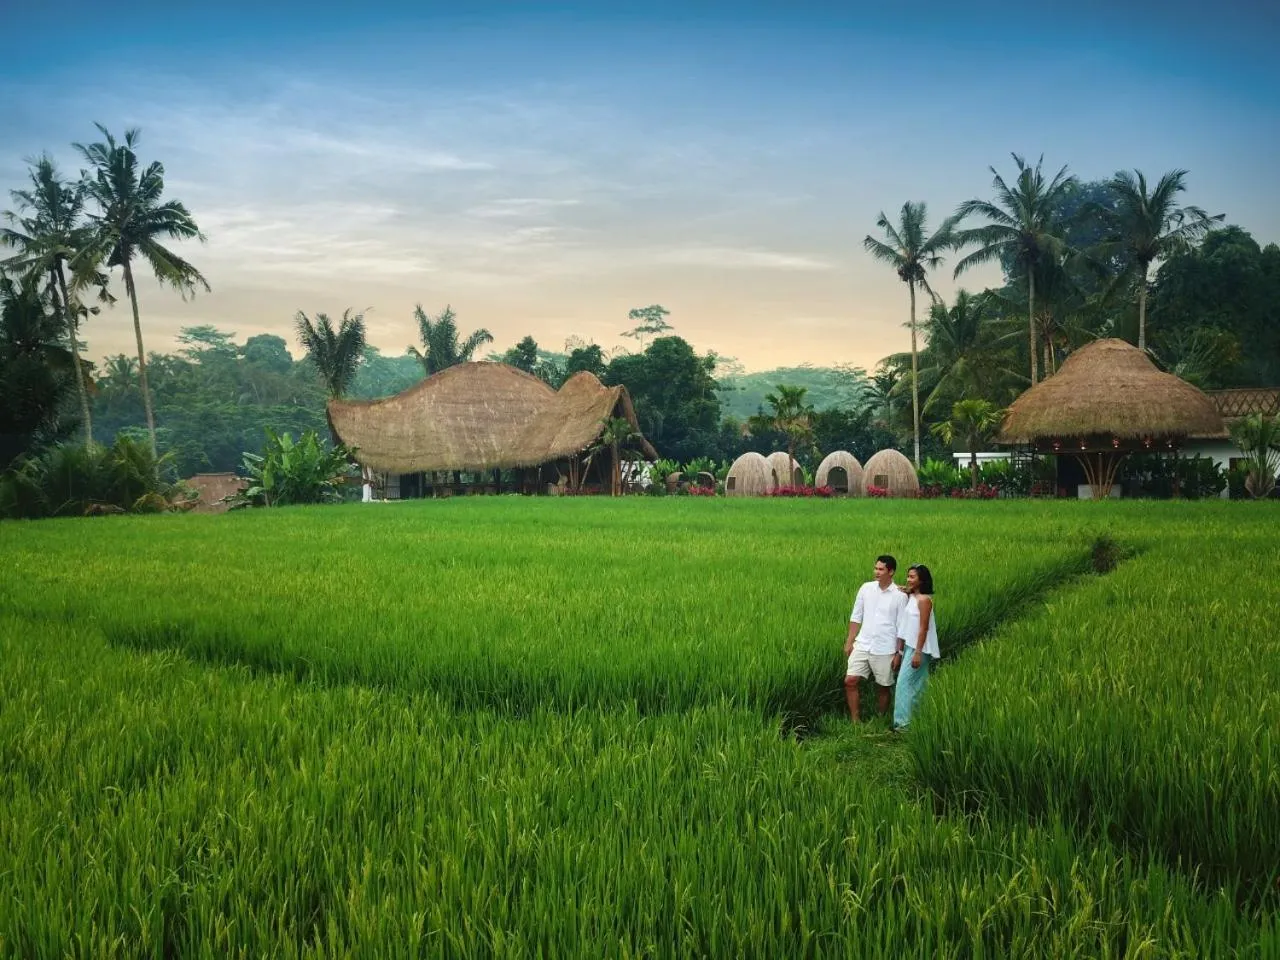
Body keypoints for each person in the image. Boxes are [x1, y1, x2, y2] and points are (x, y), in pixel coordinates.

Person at [844, 555, 908, 723]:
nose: (876, 572)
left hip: (885, 647)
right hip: (863, 643)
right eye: (876, 568)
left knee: (883, 686)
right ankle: (855, 721)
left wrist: (899, 653)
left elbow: (902, 627)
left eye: (881, 569)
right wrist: (850, 642)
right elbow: (856, 616)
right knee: (850, 681)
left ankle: (879, 719)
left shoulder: (900, 596)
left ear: (891, 572)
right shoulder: (866, 588)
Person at [893, 563, 940, 729]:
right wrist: (903, 589)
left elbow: (924, 627)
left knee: (904, 684)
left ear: (922, 580)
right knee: (917, 685)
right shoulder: (912, 596)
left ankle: (903, 725)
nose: (908, 579)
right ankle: (916, 720)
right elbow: (906, 590)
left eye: (912, 577)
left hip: (919, 648)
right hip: (909, 647)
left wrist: (918, 653)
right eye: (908, 576)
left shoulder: (924, 601)